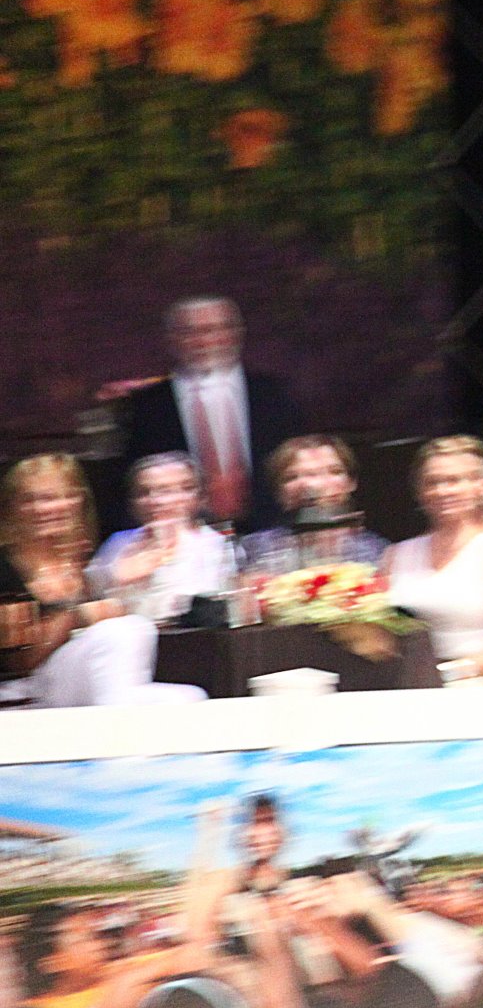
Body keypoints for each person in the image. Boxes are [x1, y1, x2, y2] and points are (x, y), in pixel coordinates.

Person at [0, 455, 206, 708]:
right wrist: (79, 616)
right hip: (21, 691)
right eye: (34, 499)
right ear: (12, 507)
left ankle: (119, 722)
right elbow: (20, 663)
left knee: (191, 700)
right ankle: (118, 734)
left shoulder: (79, 561)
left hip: (76, 687)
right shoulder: (6, 567)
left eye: (62, 496)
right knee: (122, 632)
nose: (50, 508)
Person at [119, 295, 306, 531]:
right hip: (183, 539)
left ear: (236, 333)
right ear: (172, 340)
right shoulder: (147, 406)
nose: (203, 341)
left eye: (213, 330)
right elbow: (130, 484)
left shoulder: (274, 394)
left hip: (274, 532)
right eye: (190, 332)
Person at [382, 436, 483, 683]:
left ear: (482, 485)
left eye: (455, 481)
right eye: (433, 482)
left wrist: (447, 674)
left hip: (481, 684)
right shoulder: (397, 554)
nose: (443, 491)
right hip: (408, 684)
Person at [88, 453, 238, 624]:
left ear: (192, 496)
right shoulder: (118, 543)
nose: (154, 501)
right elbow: (89, 596)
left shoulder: (216, 545)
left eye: (165, 491)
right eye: (144, 492)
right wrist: (114, 578)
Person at [242, 435, 390, 577]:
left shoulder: (375, 552)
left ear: (351, 483)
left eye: (334, 471)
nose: (313, 485)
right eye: (293, 477)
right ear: (279, 491)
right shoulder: (253, 551)